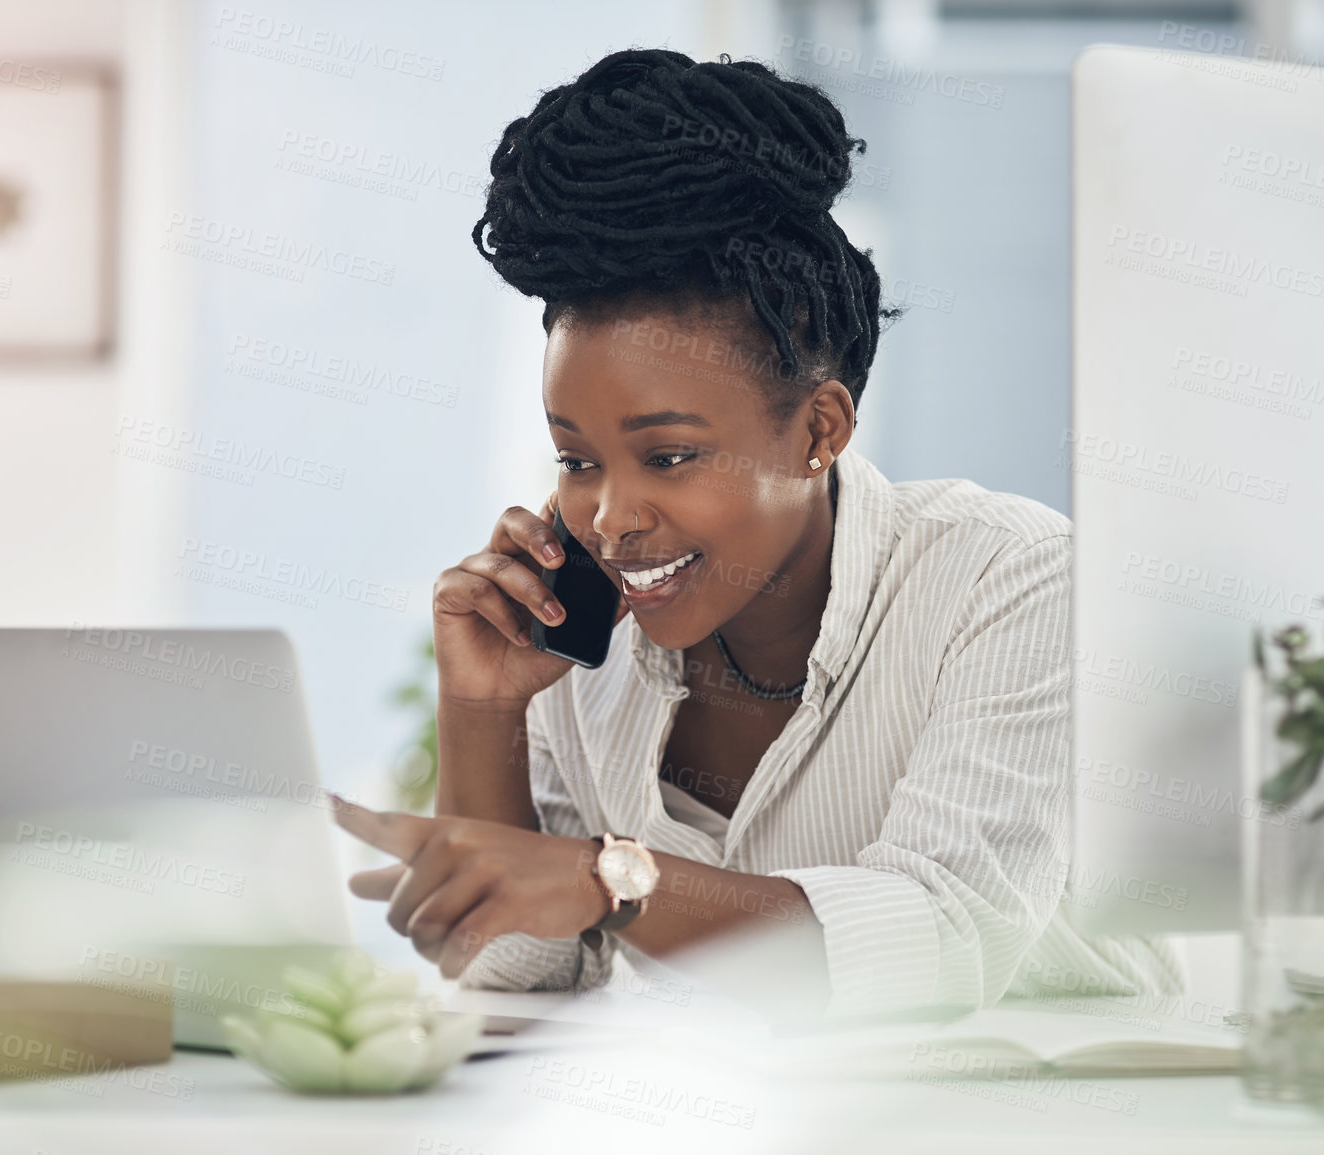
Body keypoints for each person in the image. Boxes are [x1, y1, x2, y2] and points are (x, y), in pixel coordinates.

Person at [333, 47, 1179, 1018]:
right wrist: (483, 712)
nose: (611, 518)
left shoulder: (1006, 578)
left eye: (670, 457)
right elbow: (526, 972)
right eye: (577, 460)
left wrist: (612, 877)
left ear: (819, 429)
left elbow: (946, 936)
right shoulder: (588, 641)